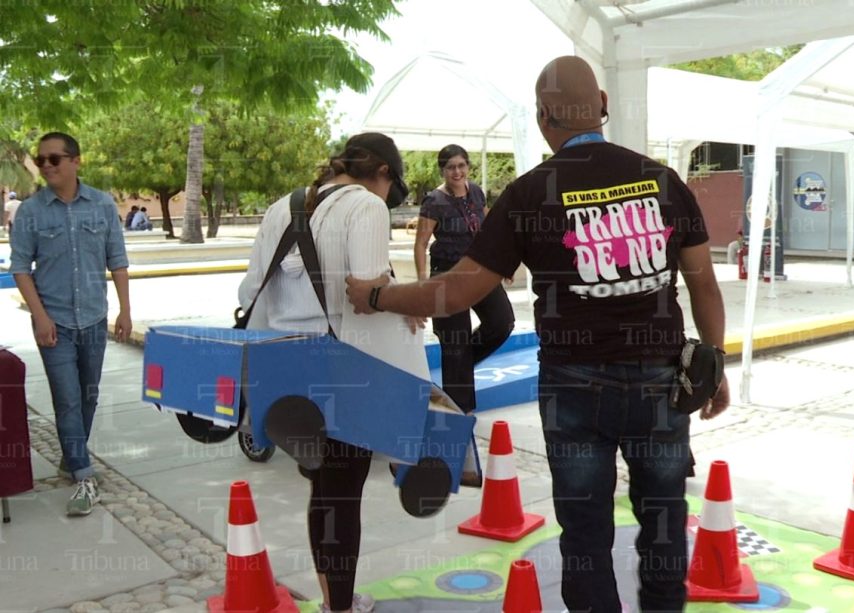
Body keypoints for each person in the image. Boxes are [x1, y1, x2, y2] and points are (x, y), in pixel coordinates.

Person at [346, 56, 730, 612]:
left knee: (584, 534)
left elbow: (455, 292)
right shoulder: (663, 180)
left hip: (575, 390)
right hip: (660, 383)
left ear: (544, 118)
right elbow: (705, 288)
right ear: (602, 104)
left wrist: (377, 295)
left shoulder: (529, 194)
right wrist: (714, 363)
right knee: (666, 520)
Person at [238, 132, 412, 613]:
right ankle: (340, 606)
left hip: (284, 371)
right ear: (381, 174)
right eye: (390, 190)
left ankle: (336, 597)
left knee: (323, 489)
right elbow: (368, 291)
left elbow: (250, 290)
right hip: (345, 369)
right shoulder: (366, 207)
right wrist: (409, 299)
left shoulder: (282, 207)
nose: (388, 200)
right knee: (343, 495)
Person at [9, 132, 132, 516]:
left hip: (94, 318)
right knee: (66, 398)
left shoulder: (101, 205)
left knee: (88, 395)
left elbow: (118, 260)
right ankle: (83, 475)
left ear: (76, 161)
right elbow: (20, 268)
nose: (46, 166)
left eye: (54, 159)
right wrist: (40, 317)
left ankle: (70, 456)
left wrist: (125, 311)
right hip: (54, 323)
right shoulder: (31, 212)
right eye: (41, 159)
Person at [414, 144, 514, 416]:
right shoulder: (434, 201)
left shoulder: (477, 192)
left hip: (478, 271)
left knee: (502, 322)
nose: (456, 172)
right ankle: (461, 415)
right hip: (446, 276)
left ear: (468, 166)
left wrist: (502, 260)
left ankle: (461, 365)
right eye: (450, 167)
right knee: (454, 342)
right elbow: (421, 243)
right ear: (443, 171)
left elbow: (488, 230)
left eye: (461, 165)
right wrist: (423, 285)